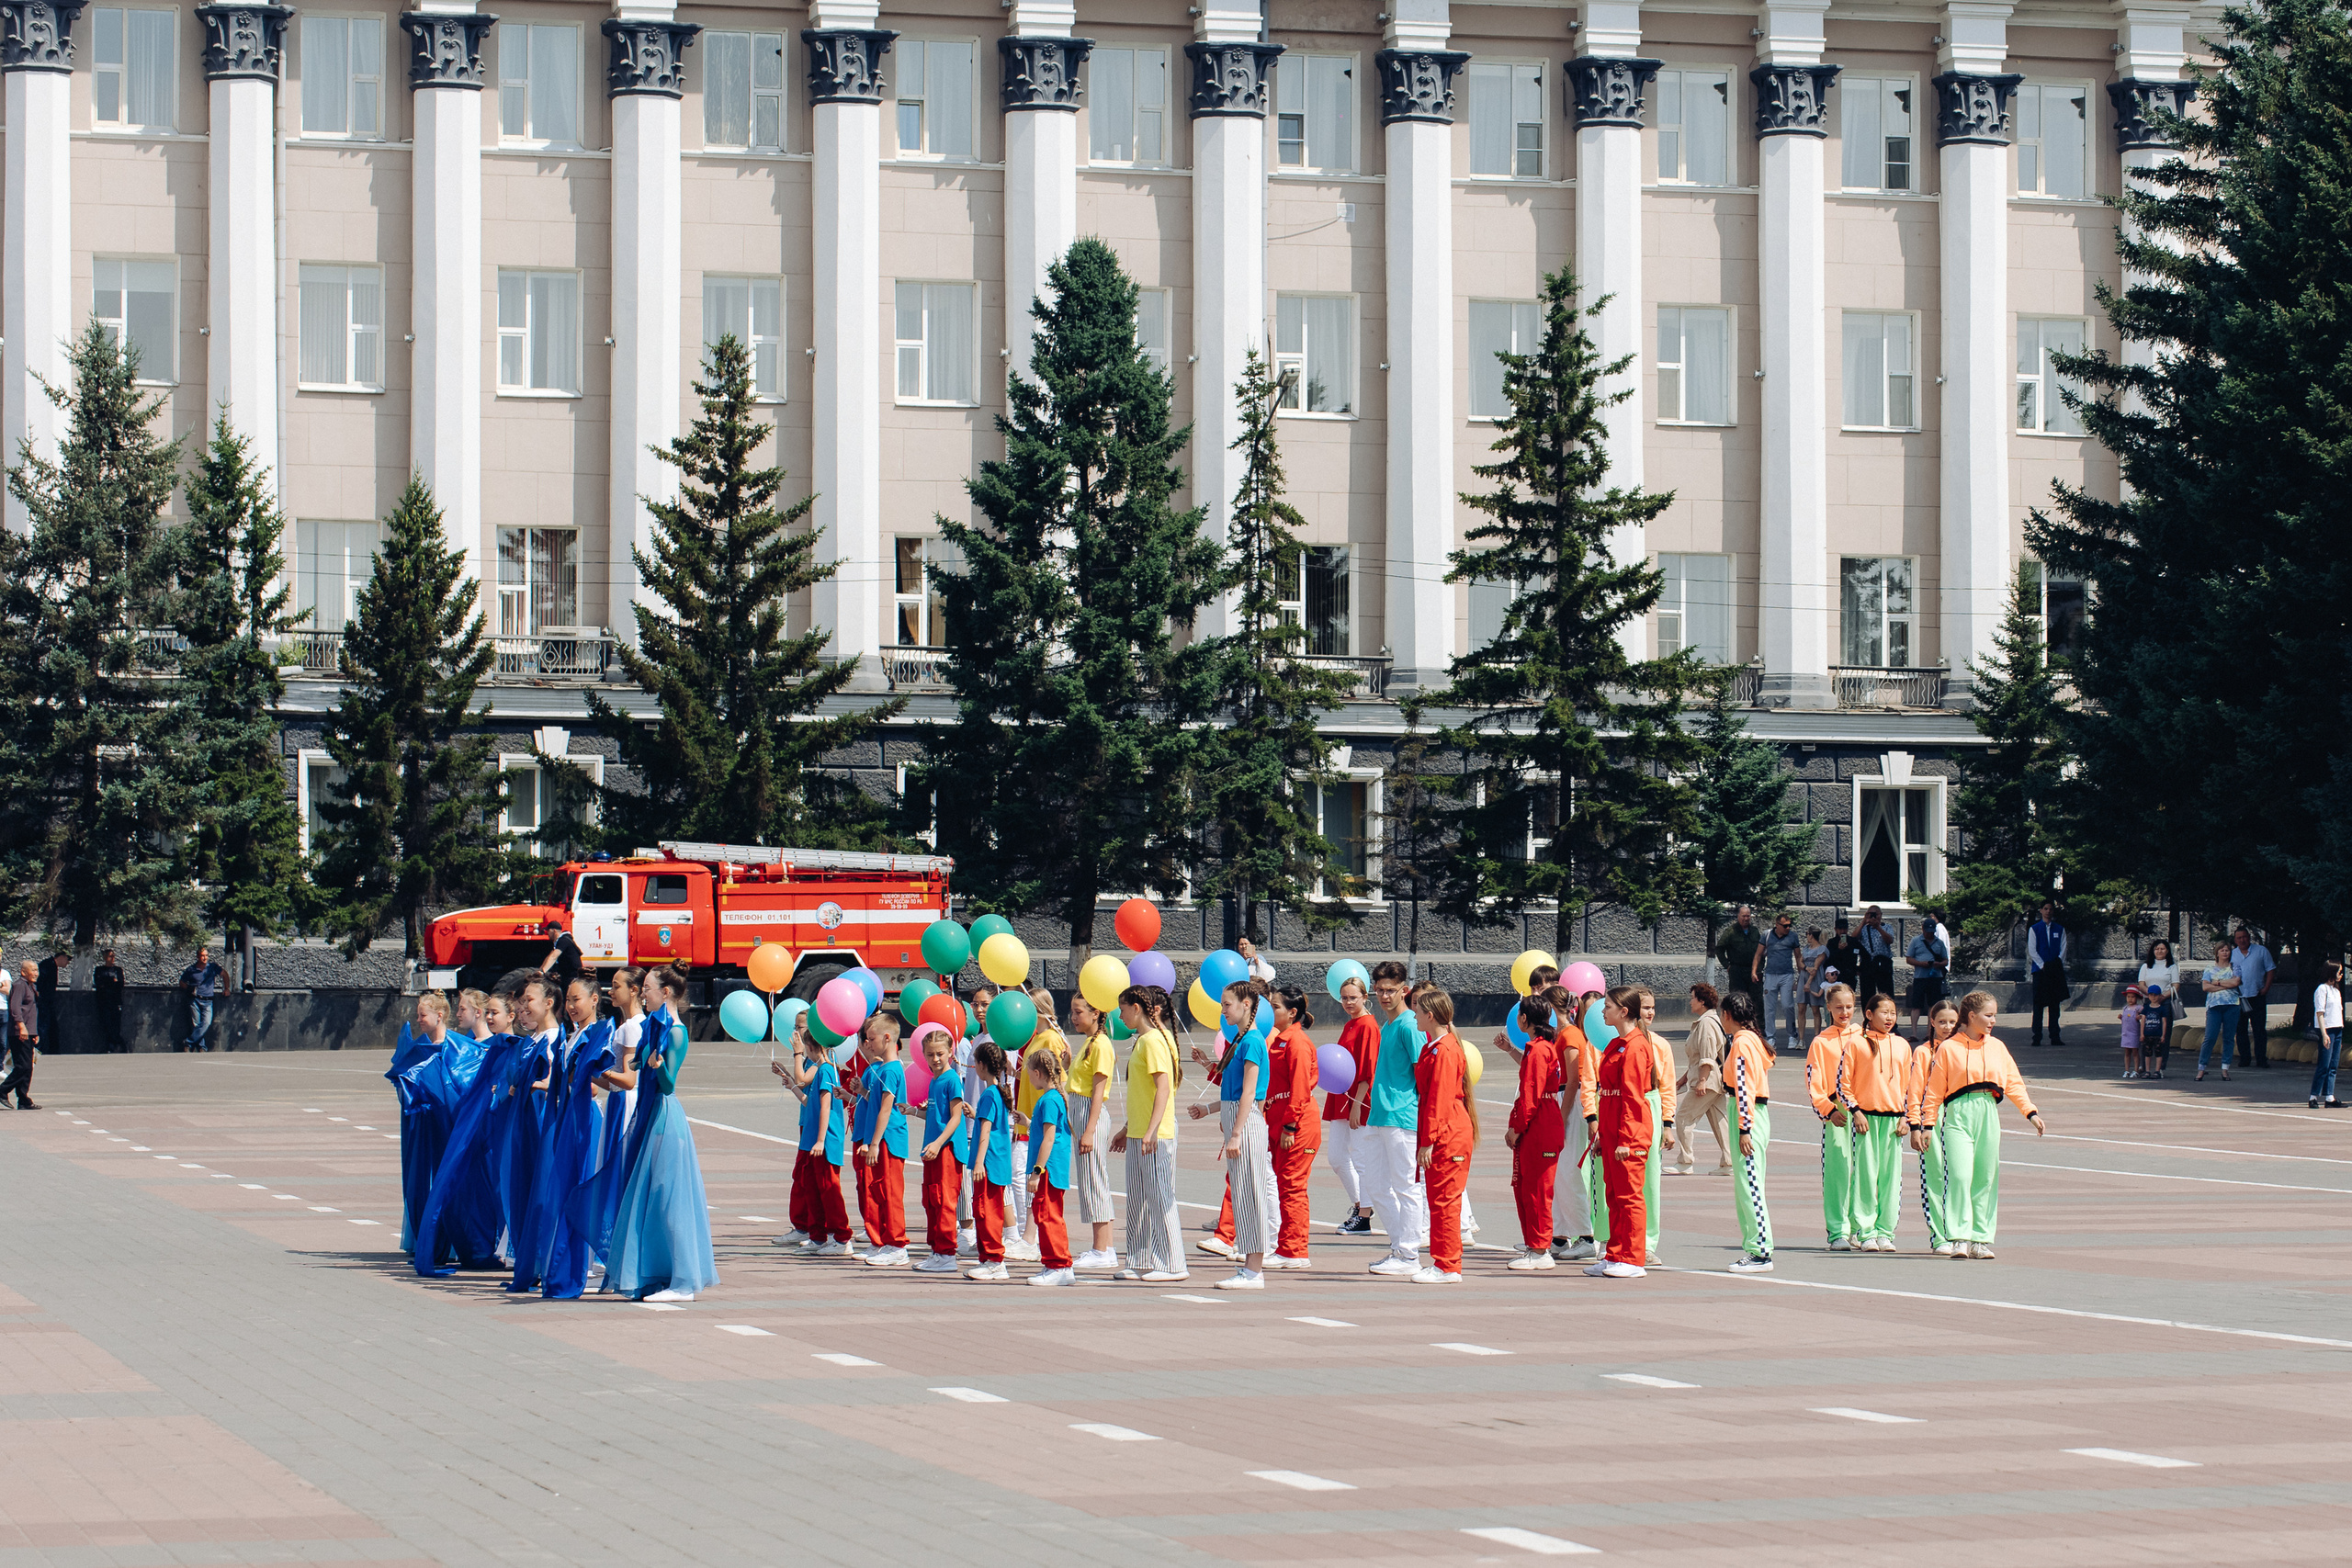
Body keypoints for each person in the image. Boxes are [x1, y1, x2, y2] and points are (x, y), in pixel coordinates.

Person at [604, 964, 718, 1301]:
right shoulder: (655, 1025)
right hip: (650, 1113)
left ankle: (683, 1283)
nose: (644, 993)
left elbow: (668, 1084)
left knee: (669, 1198)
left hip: (665, 1117)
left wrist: (654, 1066)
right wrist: (632, 1063)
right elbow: (637, 1066)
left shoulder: (677, 1032)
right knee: (650, 1196)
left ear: (665, 992)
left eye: (649, 988)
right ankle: (656, 1273)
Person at [1916, 988, 2048, 1259]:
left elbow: (2012, 1082)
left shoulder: (1997, 1047)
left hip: (1987, 1110)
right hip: (1958, 1113)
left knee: (1986, 1176)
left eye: (1994, 1015)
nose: (1993, 1021)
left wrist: (2030, 1112)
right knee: (1961, 1176)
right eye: (1989, 1015)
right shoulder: (1949, 1048)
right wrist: (1927, 1125)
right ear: (1972, 1016)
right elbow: (1934, 1091)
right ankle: (1959, 1237)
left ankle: (1981, 1239)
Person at [1203, 979, 1276, 1291]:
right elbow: (1233, 1095)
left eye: (1227, 1004)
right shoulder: (1240, 1039)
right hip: (1240, 1121)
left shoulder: (1253, 1041)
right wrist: (1208, 1109)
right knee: (1244, 1194)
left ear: (1247, 1004)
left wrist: (1236, 1134)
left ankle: (1254, 1270)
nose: (1224, 1010)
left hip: (1246, 1127)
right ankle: (1249, 1266)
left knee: (1252, 1195)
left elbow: (1250, 1094)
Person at [1360, 960, 1430, 1278]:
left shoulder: (1409, 1025)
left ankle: (1409, 1253)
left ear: (1404, 990)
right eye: (1380, 989)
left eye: (1391, 990)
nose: (1385, 995)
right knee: (1374, 1185)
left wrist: (1425, 1118)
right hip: (1379, 1115)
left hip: (1403, 1116)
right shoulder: (1387, 1025)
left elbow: (1425, 1072)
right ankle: (1400, 1245)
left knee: (1406, 1186)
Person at [1111, 986, 1185, 1282]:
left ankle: (1173, 1263)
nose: (1120, 1014)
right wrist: (1130, 1128)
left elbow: (1164, 1088)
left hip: (1156, 1133)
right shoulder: (1144, 1040)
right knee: (1139, 1199)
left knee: (1160, 1197)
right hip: (1140, 1131)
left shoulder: (1154, 1040)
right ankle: (1140, 1259)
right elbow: (1142, 1093)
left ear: (1137, 1009)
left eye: (1123, 1008)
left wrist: (1152, 1130)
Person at [1586, 986, 1657, 1280]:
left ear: (1624, 1012)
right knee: (1613, 1195)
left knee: (1630, 1196)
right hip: (1613, 1129)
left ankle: (1633, 1258)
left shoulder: (1637, 1045)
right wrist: (1604, 1133)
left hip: (1630, 1132)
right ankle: (1615, 1253)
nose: (1603, 1011)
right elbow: (1609, 1094)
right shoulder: (1617, 1044)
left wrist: (1627, 1139)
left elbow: (1632, 1096)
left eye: (1608, 1007)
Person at [1410, 987, 1475, 1285]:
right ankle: (1442, 1261)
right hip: (1441, 1129)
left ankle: (1448, 1265)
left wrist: (1428, 1140)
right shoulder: (1434, 1046)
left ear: (1430, 1014)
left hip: (1448, 1132)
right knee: (1438, 1199)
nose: (1415, 1015)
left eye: (1418, 1010)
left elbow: (1439, 1098)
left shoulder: (1446, 1050)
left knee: (1446, 1200)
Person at [1505, 994, 1566, 1270]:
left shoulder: (1540, 1050)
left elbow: (1531, 1093)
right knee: (1527, 1187)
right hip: (1539, 1121)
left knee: (1538, 1190)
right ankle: (1534, 1243)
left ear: (1525, 1019)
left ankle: (1540, 1249)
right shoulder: (1538, 1048)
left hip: (1540, 1124)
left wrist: (1517, 1128)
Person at [1846, 992, 1909, 1251]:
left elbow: (1910, 1086)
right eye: (1884, 1012)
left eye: (1893, 1013)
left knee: (1891, 1179)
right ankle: (1865, 1230)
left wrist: (1907, 1116)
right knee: (1865, 1176)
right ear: (1869, 1015)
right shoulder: (1857, 1043)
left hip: (1894, 1122)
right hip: (1867, 1120)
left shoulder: (1902, 1046)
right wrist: (1856, 1111)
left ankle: (1886, 1232)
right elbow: (1844, 1083)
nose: (1889, 1018)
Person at [1263, 984, 1320, 1269]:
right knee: (1286, 1186)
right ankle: (1287, 1247)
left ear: (1292, 1012)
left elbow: (1301, 1089)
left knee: (1292, 1187)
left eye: (1275, 1007)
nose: (1270, 1010)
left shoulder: (1297, 1043)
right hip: (1281, 1122)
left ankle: (1295, 1251)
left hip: (1296, 1126)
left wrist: (1290, 1127)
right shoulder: (1281, 1040)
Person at [793, 1020, 857, 1258]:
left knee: (829, 1190)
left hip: (824, 1140)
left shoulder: (827, 1070)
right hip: (811, 1139)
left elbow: (826, 1106)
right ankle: (818, 1236)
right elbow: (811, 1103)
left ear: (811, 1047)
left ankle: (841, 1237)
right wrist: (793, 1086)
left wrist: (821, 1140)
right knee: (813, 1189)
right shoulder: (820, 1070)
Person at [851, 1013, 911, 1268]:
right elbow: (874, 1102)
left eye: (872, 1038)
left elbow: (886, 1109)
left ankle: (897, 1245)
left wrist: (874, 1142)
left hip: (889, 1139)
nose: (868, 1042)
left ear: (888, 1038)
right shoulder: (882, 1069)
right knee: (879, 1190)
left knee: (890, 1192)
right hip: (882, 1139)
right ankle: (885, 1242)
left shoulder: (892, 1070)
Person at [1721, 990, 1775, 1273]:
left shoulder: (1742, 1043)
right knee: (1748, 1182)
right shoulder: (1752, 1039)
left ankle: (1760, 1250)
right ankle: (1756, 1246)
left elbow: (1743, 1088)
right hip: (1753, 1114)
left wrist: (1744, 1128)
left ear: (1727, 1016)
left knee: (1749, 1183)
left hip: (1748, 1115)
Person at [1064, 996, 1119, 1270]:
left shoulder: (1101, 1045)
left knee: (1094, 1181)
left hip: (1090, 1113)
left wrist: (1089, 1129)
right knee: (1091, 1181)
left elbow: (1098, 1091)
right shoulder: (1089, 1042)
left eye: (1078, 1012)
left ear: (1096, 1013)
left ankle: (1102, 1248)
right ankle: (1105, 1247)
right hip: (1081, 1110)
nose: (1074, 1017)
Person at [1325, 973, 1380, 1234]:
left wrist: (1358, 1103)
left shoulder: (1368, 1025)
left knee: (1360, 1157)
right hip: (1341, 1097)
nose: (1348, 1002)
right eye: (1344, 998)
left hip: (1357, 1098)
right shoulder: (1350, 1024)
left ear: (1365, 998)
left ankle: (1365, 1215)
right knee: (1336, 1157)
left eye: (1353, 998)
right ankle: (1360, 1204)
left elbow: (1368, 1068)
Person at [1807, 983, 1860, 1250]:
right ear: (1828, 1007)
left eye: (1849, 1006)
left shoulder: (1864, 1036)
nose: (1844, 1012)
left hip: (1865, 1112)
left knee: (1863, 1172)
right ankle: (1838, 1230)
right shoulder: (1821, 1042)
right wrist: (1828, 1110)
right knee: (1839, 1172)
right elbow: (1814, 1082)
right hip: (1837, 1112)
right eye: (1839, 1007)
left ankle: (1861, 1228)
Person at [1906, 998, 1961, 1255]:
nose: (1947, 1027)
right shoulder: (1924, 1052)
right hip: (1932, 1119)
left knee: (1960, 1177)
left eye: (1952, 1022)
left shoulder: (1965, 1049)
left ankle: (1960, 1232)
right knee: (1934, 1176)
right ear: (1932, 1022)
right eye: (1942, 1022)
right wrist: (1915, 1125)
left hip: (1959, 1116)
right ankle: (1940, 1236)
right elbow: (1915, 1090)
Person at [1023, 1047, 1075, 1286]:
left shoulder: (1049, 1099)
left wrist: (1037, 1171)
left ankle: (1058, 1265)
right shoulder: (1054, 1098)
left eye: (1029, 1074)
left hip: (1048, 1170)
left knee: (1047, 1215)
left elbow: (1049, 1137)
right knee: (1047, 1214)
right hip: (1052, 1168)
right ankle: (1057, 1264)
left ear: (1037, 1073)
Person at [965, 1042, 1014, 1282]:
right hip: (995, 1162)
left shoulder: (988, 1095)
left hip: (989, 1164)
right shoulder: (996, 1093)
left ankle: (994, 1260)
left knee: (987, 1212)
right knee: (985, 1210)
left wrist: (978, 1163)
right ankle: (988, 1259)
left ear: (982, 1066)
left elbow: (984, 1132)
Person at [1674, 983, 1733, 1176]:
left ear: (1702, 1001)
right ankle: (1728, 1163)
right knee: (1720, 1121)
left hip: (1707, 1080)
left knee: (1683, 1117)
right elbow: (1698, 1058)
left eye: (1692, 998)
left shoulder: (1706, 1023)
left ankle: (1685, 1161)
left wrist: (1702, 1081)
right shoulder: (1712, 1021)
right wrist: (1684, 1079)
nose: (1690, 1002)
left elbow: (1707, 1055)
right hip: (1713, 1080)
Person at [2231, 925, 2275, 1069]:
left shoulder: (2261, 951)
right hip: (2239, 997)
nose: (2242, 940)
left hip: (2257, 995)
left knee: (2259, 1029)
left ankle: (2261, 1059)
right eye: (2239, 938)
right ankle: (2245, 1058)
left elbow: (2270, 970)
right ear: (2235, 940)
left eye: (2244, 937)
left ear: (2249, 937)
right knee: (2240, 1029)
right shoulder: (2232, 954)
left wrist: (2266, 988)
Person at [1758, 912, 1803, 1055]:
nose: (1788, 928)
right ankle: (1770, 1037)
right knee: (1769, 1008)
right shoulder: (1767, 935)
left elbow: (1798, 956)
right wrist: (1754, 971)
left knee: (1787, 1005)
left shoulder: (1793, 937)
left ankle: (1792, 1035)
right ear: (1777, 925)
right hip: (1771, 974)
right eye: (1785, 926)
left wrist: (1801, 976)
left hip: (1787, 975)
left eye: (1789, 925)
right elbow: (1758, 954)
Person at [2027, 900, 2068, 1047]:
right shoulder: (2035, 929)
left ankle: (2055, 1036)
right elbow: (2032, 950)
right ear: (2041, 910)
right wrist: (2042, 965)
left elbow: (2063, 948)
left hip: (2054, 971)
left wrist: (2056, 964)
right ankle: (2037, 1036)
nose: (2048, 911)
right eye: (2046, 909)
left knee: (2054, 1005)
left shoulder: (2059, 929)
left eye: (2050, 909)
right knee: (2038, 1005)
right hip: (2040, 971)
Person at [2198, 941, 2239, 1082]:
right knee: (2210, 1037)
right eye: (2222, 950)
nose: (2225, 952)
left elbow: (2235, 983)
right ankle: (2201, 1068)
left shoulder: (2235, 967)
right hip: (2214, 1006)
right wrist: (2225, 986)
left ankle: (2225, 1069)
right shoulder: (2209, 968)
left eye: (2227, 950)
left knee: (2228, 1038)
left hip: (2232, 1005)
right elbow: (2205, 987)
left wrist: (2217, 983)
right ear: (2217, 952)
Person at [0, 959, 40, 1109]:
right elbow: (15, 1008)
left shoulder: (31, 986)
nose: (36, 973)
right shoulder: (19, 985)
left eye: (37, 970)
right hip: (19, 1032)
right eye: (32, 970)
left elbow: (30, 1011)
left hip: (29, 1031)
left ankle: (23, 1099)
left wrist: (34, 1032)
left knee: (28, 1067)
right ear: (24, 972)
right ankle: (3, 1090)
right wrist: (22, 1027)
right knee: (22, 1066)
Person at [1715, 905, 1765, 1024]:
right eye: (1743, 916)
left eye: (1748, 916)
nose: (1746, 919)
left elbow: (1761, 951)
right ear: (1738, 917)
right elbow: (1719, 949)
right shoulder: (1731, 932)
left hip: (1753, 971)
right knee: (1737, 1000)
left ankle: (1760, 1029)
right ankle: (1737, 1026)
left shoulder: (1755, 931)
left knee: (1757, 1001)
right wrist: (1727, 965)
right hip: (1737, 971)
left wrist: (1760, 967)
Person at [2138, 940, 2180, 1077]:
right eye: (2157, 949)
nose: (2160, 951)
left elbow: (2176, 985)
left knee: (2163, 1036)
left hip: (2165, 1003)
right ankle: (2145, 1067)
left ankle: (2160, 1068)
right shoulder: (2146, 966)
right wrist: (2151, 996)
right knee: (2146, 1035)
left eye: (2162, 949)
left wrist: (2162, 996)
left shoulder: (2172, 967)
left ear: (2167, 951)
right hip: (2149, 1003)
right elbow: (2141, 984)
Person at [1906, 915, 1951, 1030]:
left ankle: (1929, 1032)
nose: (1929, 934)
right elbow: (1909, 958)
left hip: (1935, 977)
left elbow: (1946, 960)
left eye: (1931, 932)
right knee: (1916, 1005)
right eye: (1927, 932)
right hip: (1920, 977)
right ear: (1923, 929)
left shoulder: (1939, 943)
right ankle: (1914, 1032)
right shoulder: (1916, 941)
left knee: (1933, 1004)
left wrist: (1939, 964)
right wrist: (1921, 963)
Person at [2310, 961, 2344, 1110]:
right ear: (2331, 973)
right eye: (2339, 972)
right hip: (2327, 1030)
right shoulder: (2322, 989)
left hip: (2337, 1029)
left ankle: (2329, 1096)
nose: (2341, 975)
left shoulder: (2336, 991)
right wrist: (2324, 1034)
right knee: (2324, 1064)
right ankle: (2313, 1096)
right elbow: (2320, 1012)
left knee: (2333, 1065)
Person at [179, 946, 225, 1054]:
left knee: (206, 1023)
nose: (205, 958)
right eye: (202, 956)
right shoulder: (191, 969)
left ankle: (188, 1042)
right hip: (195, 999)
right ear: (198, 957)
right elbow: (182, 982)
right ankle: (201, 1047)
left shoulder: (212, 967)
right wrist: (189, 989)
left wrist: (226, 988)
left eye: (206, 955)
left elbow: (224, 974)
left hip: (208, 1000)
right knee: (196, 1024)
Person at [1856, 907, 1896, 1006]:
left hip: (1883, 963)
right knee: (1867, 994)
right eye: (1870, 914)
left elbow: (1889, 940)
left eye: (1875, 914)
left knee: (1886, 993)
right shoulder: (1864, 929)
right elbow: (1853, 938)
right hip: (1867, 963)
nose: (1873, 916)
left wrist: (1878, 927)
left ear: (1880, 915)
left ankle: (1890, 1016)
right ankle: (1868, 1018)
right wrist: (1864, 922)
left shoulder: (1886, 927)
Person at [1796, 927, 1828, 1038]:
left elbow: (1816, 968)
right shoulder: (1806, 948)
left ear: (1811, 935)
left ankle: (1816, 1036)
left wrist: (1808, 983)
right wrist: (1805, 968)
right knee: (1801, 1008)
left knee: (1815, 1009)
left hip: (1814, 980)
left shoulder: (1822, 949)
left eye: (1807, 934)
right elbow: (1800, 961)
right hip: (1803, 976)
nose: (1807, 937)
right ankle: (1800, 1039)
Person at [93, 948, 126, 1053]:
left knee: (116, 1024)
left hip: (115, 1001)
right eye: (109, 956)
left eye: (113, 956)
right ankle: (109, 1045)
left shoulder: (117, 970)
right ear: (105, 957)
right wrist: (111, 982)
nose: (112, 959)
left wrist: (111, 983)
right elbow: (99, 983)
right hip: (104, 1001)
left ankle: (119, 1045)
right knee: (106, 1024)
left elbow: (120, 984)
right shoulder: (99, 969)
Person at [537, 919, 583, 989]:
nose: (547, 933)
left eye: (548, 931)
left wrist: (543, 972)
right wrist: (540, 970)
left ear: (554, 931)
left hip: (572, 975)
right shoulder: (559, 942)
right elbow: (550, 956)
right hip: (566, 974)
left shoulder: (564, 940)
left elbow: (554, 956)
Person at [36, 948, 65, 1056]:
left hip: (49, 1001)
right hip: (44, 1001)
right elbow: (41, 983)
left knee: (51, 1027)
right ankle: (40, 1049)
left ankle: (52, 1050)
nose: (67, 963)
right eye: (67, 959)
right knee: (43, 1027)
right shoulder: (47, 965)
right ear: (61, 957)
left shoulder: (52, 965)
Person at [2120, 986, 2147, 1080]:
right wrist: (2121, 1018)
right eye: (2128, 997)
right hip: (2126, 1033)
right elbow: (2125, 1022)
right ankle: (2127, 1070)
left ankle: (2136, 1069)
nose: (2130, 999)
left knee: (2135, 1052)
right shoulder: (2125, 1008)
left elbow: (2144, 1017)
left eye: (2132, 997)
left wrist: (2139, 1018)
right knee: (2127, 1052)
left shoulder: (2138, 1008)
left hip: (2134, 1033)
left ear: (2137, 998)